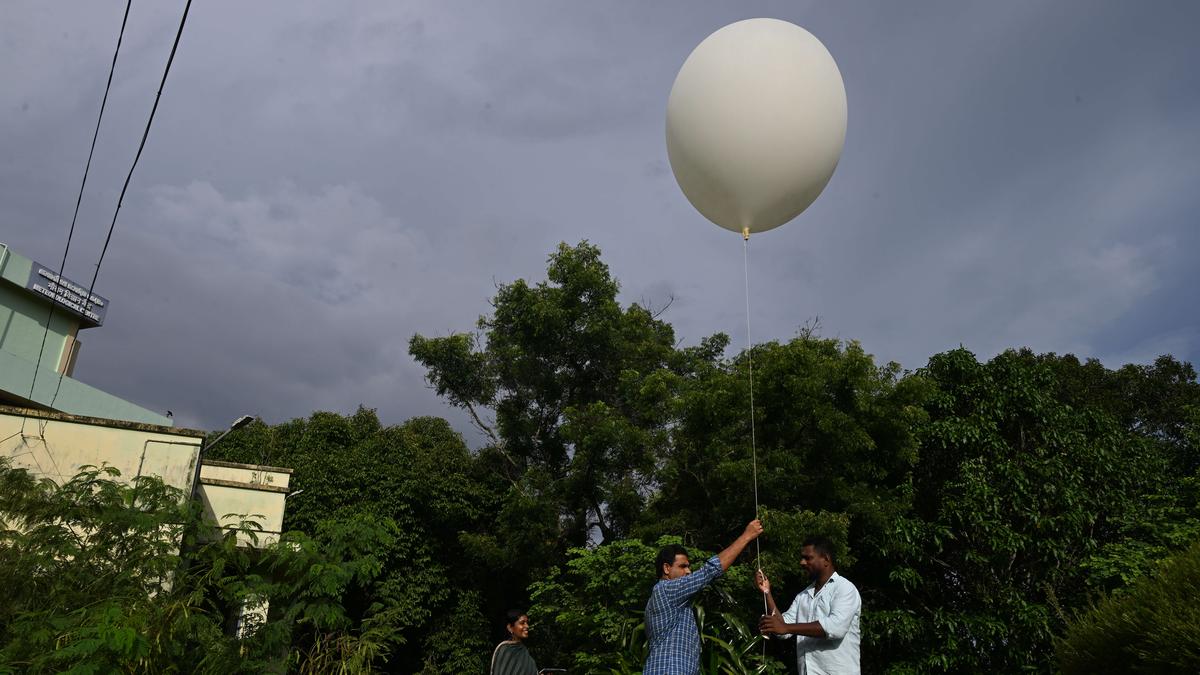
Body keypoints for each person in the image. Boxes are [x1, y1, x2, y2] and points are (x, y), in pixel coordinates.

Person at [643, 519, 764, 675]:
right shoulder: (665, 590)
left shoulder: (676, 602)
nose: (688, 571)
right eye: (682, 566)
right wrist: (746, 536)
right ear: (666, 568)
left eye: (689, 566)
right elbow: (709, 571)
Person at [756, 535, 861, 675]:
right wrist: (767, 592)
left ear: (826, 559)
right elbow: (783, 629)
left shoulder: (844, 588)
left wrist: (785, 627)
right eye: (802, 557)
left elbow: (835, 627)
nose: (802, 562)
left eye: (808, 558)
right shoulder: (802, 596)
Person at [490, 609, 538, 675]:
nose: (527, 626)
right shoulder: (504, 649)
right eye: (522, 623)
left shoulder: (524, 651)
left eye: (527, 623)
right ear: (510, 627)